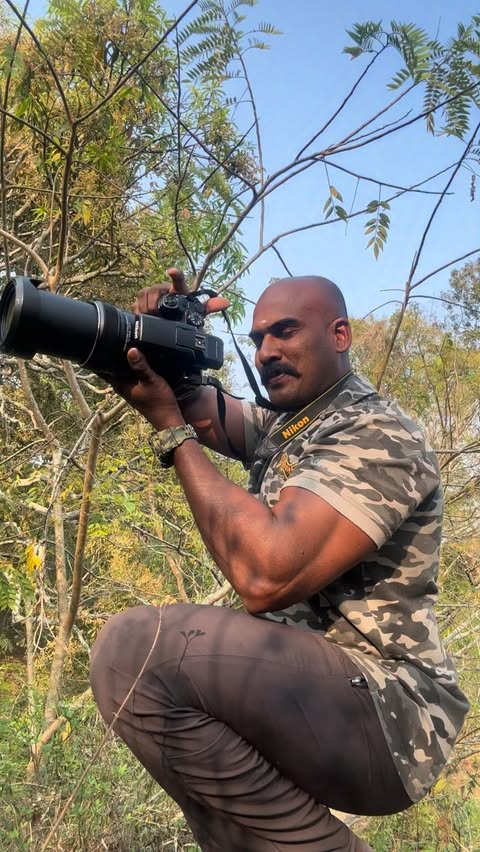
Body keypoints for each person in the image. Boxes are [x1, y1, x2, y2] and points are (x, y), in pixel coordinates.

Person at [90, 271, 469, 852]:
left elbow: (266, 574)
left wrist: (171, 430)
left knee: (137, 651)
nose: (266, 351)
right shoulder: (290, 427)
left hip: (392, 714)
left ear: (339, 335)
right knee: (217, 804)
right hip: (328, 695)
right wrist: (153, 345)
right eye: (258, 338)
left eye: (285, 332)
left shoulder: (378, 432)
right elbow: (196, 406)